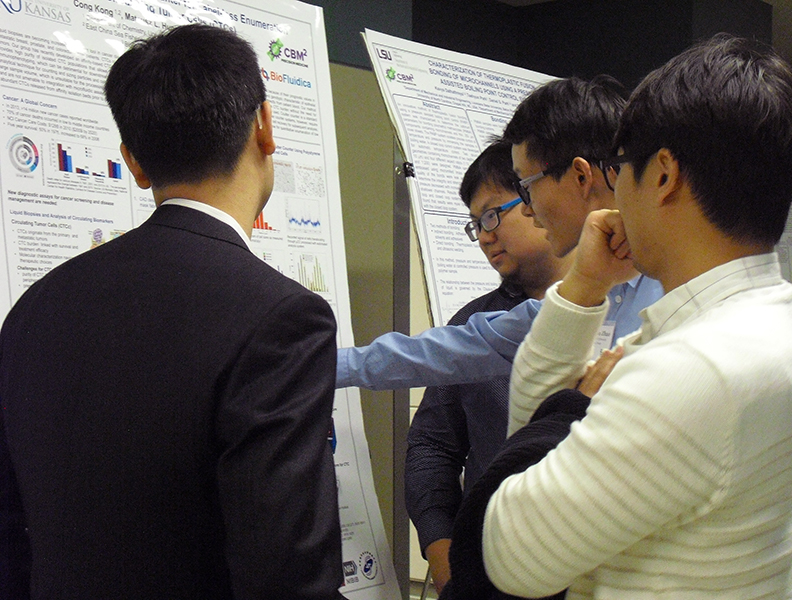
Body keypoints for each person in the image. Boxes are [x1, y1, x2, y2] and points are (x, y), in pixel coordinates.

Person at [0, 24, 344, 600]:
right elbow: (288, 575)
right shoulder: (282, 319)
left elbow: (13, 542)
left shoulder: (34, 308)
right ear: (264, 126)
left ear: (133, 162)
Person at [483, 35, 792, 599]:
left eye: (620, 168)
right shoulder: (768, 321)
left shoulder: (693, 369)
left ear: (662, 175)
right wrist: (584, 284)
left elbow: (510, 554)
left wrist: (573, 405)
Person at [336, 77, 662, 392]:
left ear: (580, 176)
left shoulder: (678, 278)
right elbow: (454, 348)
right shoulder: (574, 296)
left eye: (527, 186)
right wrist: (321, 365)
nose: (529, 208)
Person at [405, 140, 570, 593]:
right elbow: (431, 447)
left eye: (493, 214)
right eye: (475, 224)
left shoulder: (630, 311)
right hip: (489, 573)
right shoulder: (475, 325)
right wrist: (445, 562)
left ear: (540, 200)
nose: (483, 235)